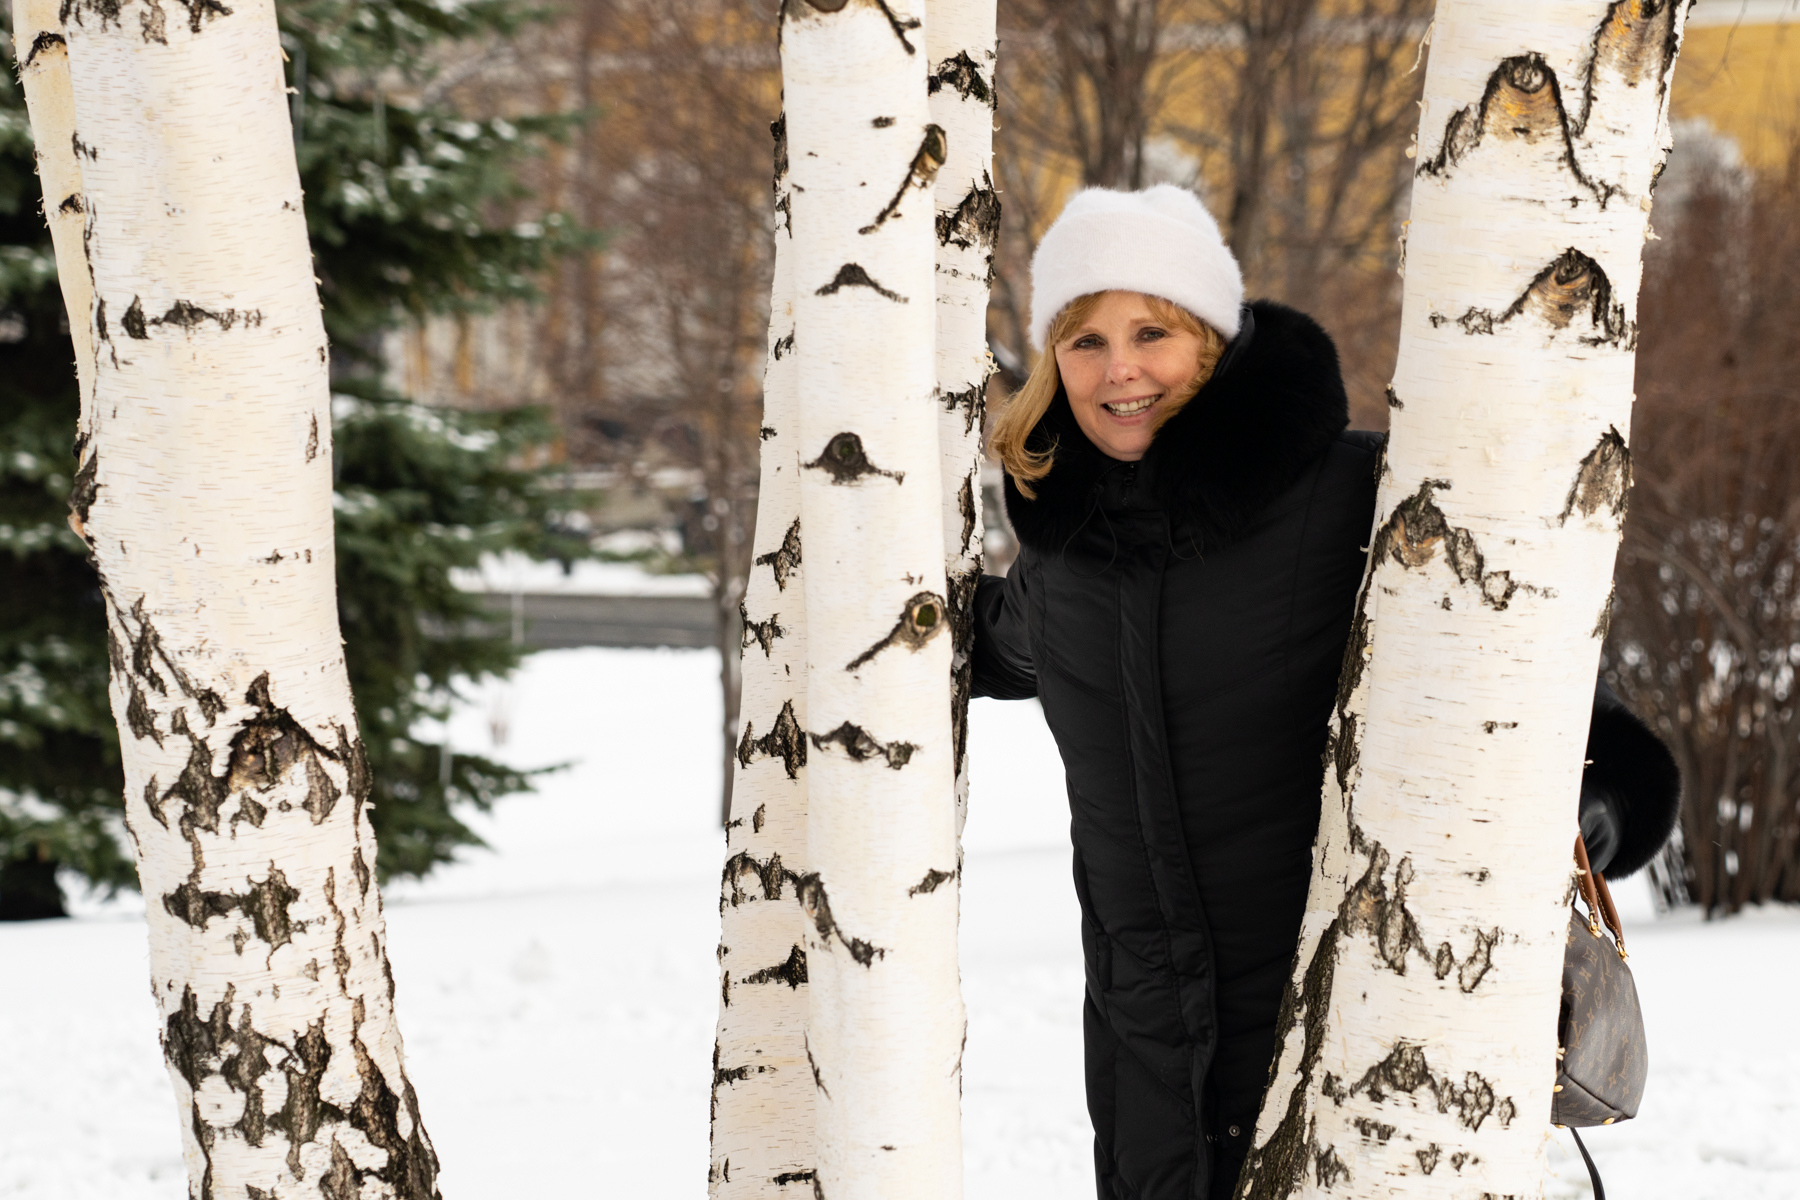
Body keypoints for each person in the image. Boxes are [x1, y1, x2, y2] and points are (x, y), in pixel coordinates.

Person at [971, 185, 1681, 1200]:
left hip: (1357, 1066)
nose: (1118, 367)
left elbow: (1558, 714)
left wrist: (1545, 836)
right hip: (1149, 1083)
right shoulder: (1065, 568)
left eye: (1151, 332)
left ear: (1211, 344)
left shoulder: (1364, 503)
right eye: (1082, 340)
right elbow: (978, 645)